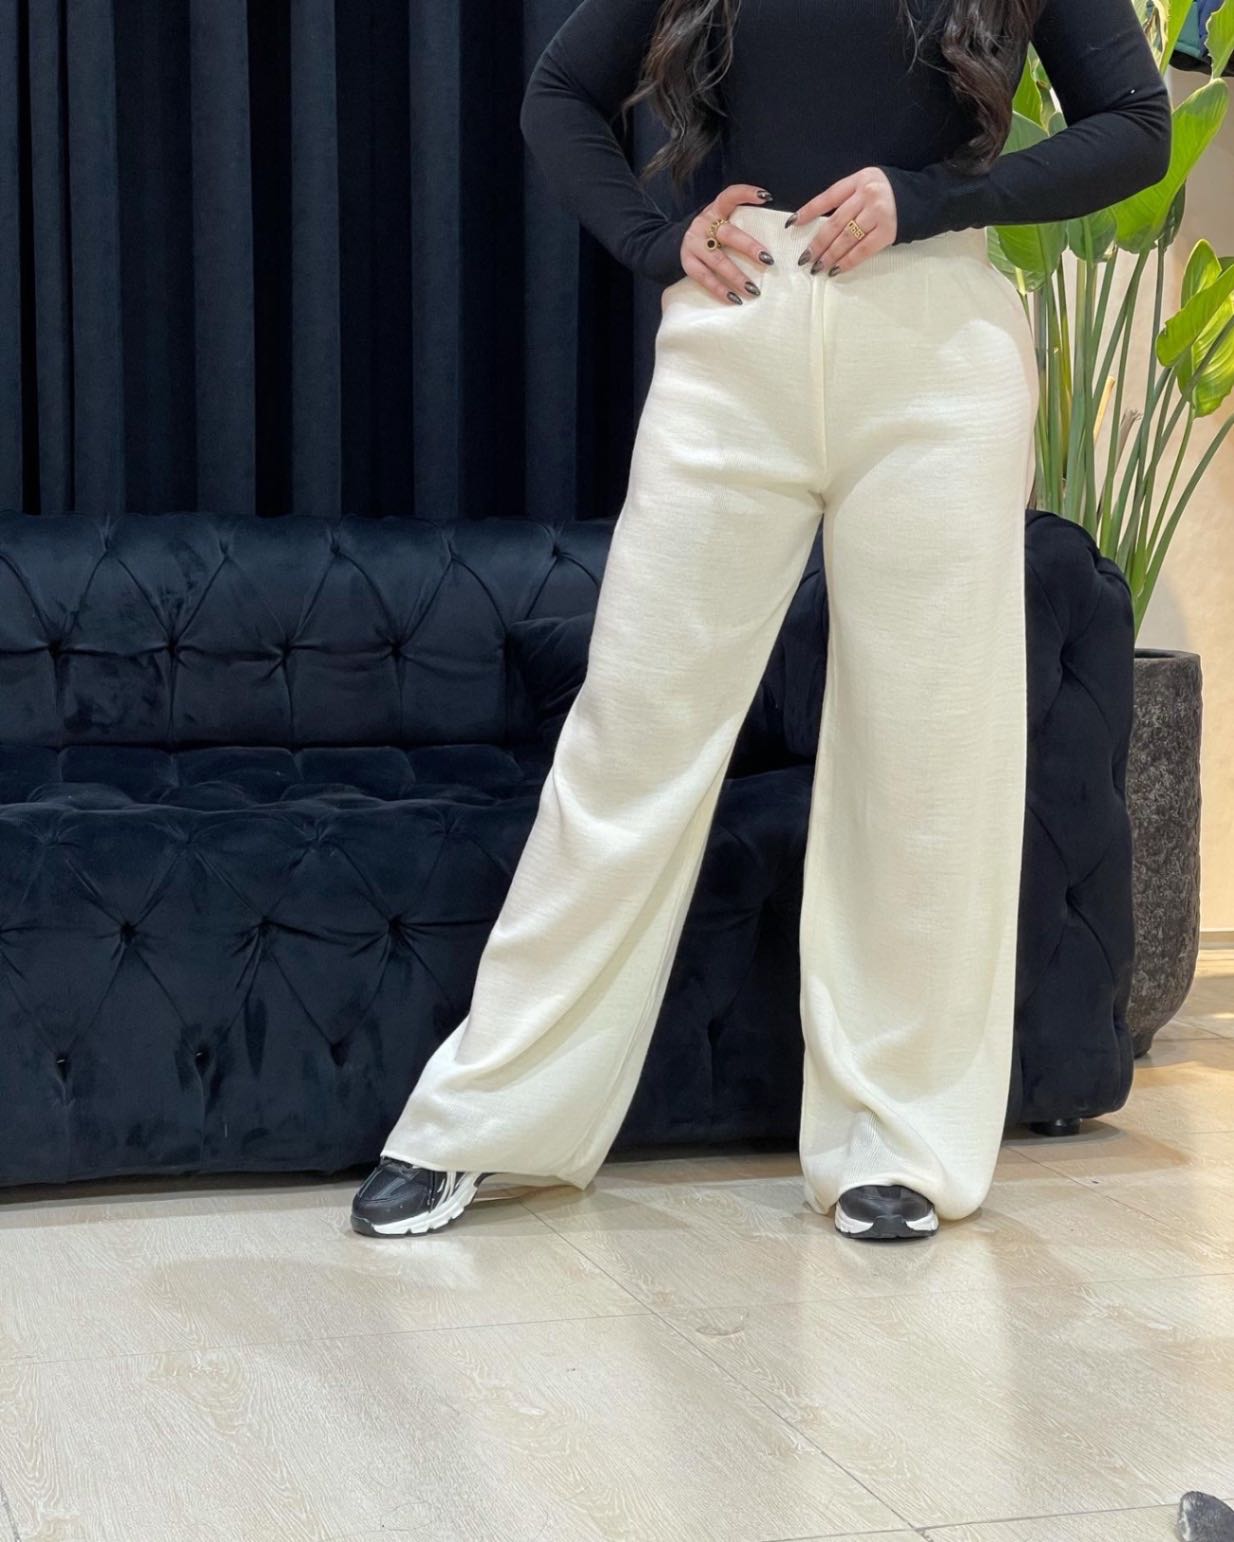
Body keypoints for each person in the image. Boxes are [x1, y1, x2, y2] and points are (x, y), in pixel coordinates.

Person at [352, 0, 1172, 1243]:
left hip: (936, 346)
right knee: (631, 737)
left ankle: (898, 1147)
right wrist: (650, 240)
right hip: (736, 336)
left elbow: (1137, 126)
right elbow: (557, 94)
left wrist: (928, 198)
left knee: (922, 762)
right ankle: (485, 1120)